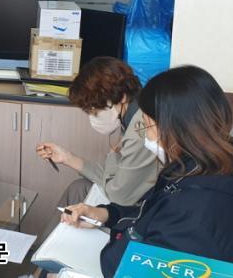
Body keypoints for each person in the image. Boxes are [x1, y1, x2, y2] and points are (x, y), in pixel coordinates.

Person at [61, 66, 233, 276]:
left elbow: (138, 268)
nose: (146, 137)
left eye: (147, 127)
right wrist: (107, 214)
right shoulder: (230, 158)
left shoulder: (193, 211)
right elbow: (153, 209)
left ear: (173, 129)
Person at [35, 57, 159, 237]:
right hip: (131, 193)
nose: (93, 116)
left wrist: (112, 156)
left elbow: (119, 194)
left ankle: (50, 249)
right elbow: (117, 180)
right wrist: (67, 158)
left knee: (79, 196)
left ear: (121, 97)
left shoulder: (139, 131)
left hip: (142, 207)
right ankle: (46, 247)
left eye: (94, 110)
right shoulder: (132, 113)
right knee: (78, 188)